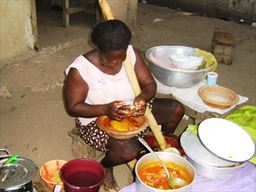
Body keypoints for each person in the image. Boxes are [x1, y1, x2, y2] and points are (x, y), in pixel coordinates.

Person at [63, 19, 184, 190]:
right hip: (97, 119)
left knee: (176, 109)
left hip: (133, 110)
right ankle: (106, 166)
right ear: (99, 49)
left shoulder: (131, 53)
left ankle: (157, 147)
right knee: (128, 151)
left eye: (121, 58)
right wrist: (105, 109)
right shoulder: (80, 70)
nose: (117, 64)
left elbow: (150, 84)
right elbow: (73, 107)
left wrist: (143, 98)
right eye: (110, 60)